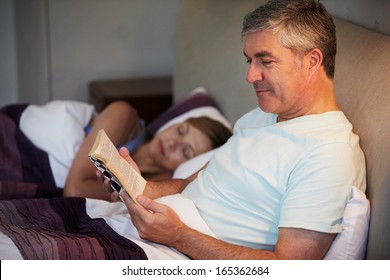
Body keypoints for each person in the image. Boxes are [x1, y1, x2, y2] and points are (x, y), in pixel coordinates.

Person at [103, 0, 366, 259]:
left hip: (163, 253)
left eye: (265, 61)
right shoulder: (262, 116)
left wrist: (177, 235)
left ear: (312, 61)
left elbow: (289, 268)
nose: (250, 76)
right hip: (138, 233)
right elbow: (191, 183)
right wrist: (142, 188)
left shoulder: (329, 153)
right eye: (250, 61)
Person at [63, 100, 232, 201]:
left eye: (185, 152)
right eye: (180, 131)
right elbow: (73, 191)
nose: (173, 142)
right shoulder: (124, 116)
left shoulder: (154, 187)